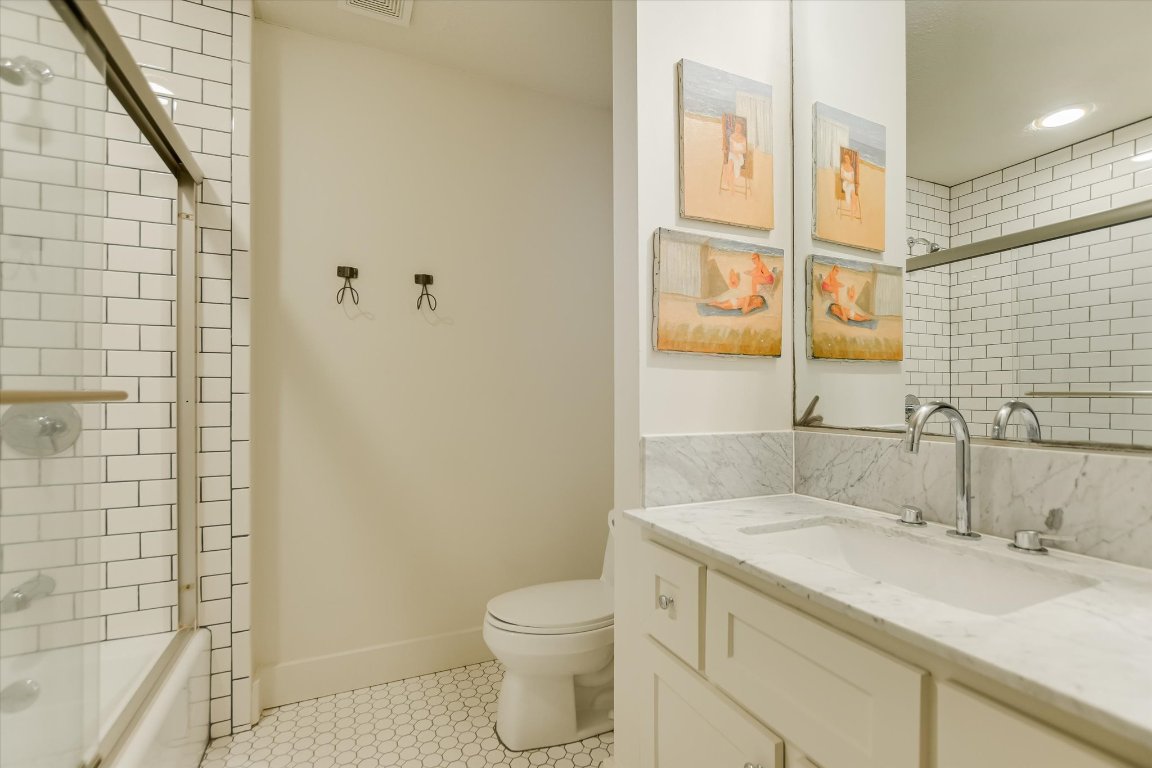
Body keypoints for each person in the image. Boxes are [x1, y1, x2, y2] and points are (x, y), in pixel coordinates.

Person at [720, 119, 748, 193]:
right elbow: (731, 149)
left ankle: (729, 183)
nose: (737, 129)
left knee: (729, 165)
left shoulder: (743, 138)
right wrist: (735, 153)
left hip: (739, 157)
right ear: (735, 127)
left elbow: (744, 150)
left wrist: (737, 153)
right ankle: (732, 188)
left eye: (739, 128)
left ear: (741, 129)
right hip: (732, 154)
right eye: (736, 127)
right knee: (731, 162)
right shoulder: (732, 136)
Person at [840, 149, 860, 218]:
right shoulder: (842, 165)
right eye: (845, 158)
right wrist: (848, 180)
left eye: (847, 158)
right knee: (852, 192)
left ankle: (852, 213)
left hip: (851, 184)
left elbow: (853, 179)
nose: (846, 159)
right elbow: (842, 176)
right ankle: (855, 207)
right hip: (845, 184)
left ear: (849, 159)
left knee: (852, 191)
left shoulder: (851, 168)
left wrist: (851, 181)